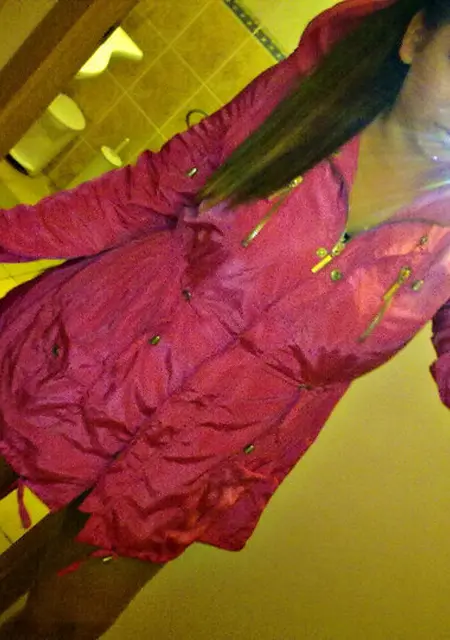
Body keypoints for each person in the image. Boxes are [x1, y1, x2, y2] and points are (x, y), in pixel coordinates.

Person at [0, 0, 449, 636]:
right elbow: (144, 193)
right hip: (84, 351)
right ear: (415, 36)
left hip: (197, 453)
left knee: (62, 625)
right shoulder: (304, 99)